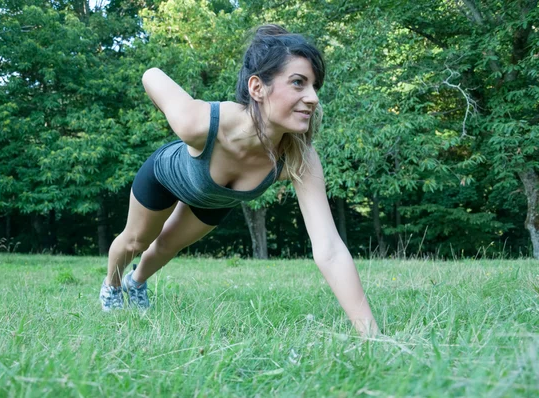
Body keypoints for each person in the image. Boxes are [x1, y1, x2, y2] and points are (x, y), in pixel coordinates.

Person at [99, 24, 379, 336]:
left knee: (165, 247)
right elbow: (151, 74)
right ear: (257, 88)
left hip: (214, 198)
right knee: (137, 240)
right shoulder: (199, 123)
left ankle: (135, 283)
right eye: (299, 83)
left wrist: (370, 334)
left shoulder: (299, 157)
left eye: (314, 86)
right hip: (166, 177)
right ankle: (112, 286)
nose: (312, 98)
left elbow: (329, 248)